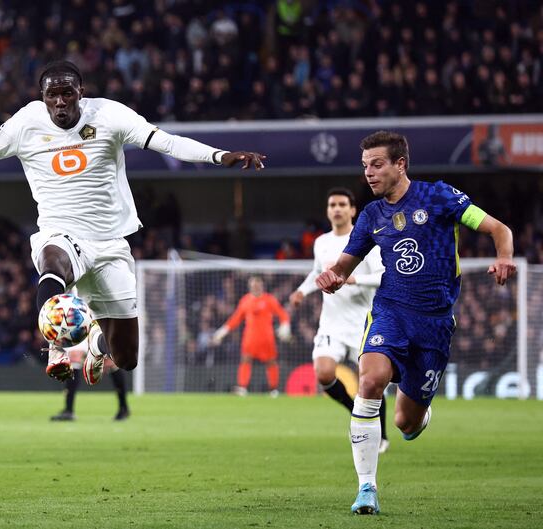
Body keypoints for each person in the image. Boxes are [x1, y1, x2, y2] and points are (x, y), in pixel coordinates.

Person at [0, 60, 266, 384]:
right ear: (42, 96)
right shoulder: (25, 123)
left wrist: (219, 155)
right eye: (51, 94)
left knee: (126, 359)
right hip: (61, 232)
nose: (59, 101)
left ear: (80, 93)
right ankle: (56, 347)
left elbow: (167, 142)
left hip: (111, 242)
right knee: (52, 260)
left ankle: (95, 345)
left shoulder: (109, 114)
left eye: (66, 92)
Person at [315, 131, 515, 515]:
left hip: (435, 323)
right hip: (390, 310)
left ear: (400, 164)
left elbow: (498, 229)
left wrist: (504, 256)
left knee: (407, 423)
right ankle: (367, 488)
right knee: (370, 379)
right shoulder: (372, 216)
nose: (369, 174)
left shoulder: (439, 197)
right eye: (365, 166)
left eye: (376, 165)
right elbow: (345, 263)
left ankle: (419, 411)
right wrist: (333, 276)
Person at [289, 188, 389, 453]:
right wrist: (302, 290)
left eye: (342, 204)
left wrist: (355, 278)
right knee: (323, 374)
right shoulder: (321, 242)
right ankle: (352, 409)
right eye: (332, 204)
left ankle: (382, 435)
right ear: (327, 210)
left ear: (352, 210)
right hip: (331, 323)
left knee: (371, 382)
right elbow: (316, 273)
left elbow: (383, 277)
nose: (337, 209)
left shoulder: (368, 240)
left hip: (363, 322)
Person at [211, 276, 290, 396]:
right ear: (250, 286)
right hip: (250, 338)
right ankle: (242, 387)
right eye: (253, 285)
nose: (256, 287)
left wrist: (285, 325)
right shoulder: (245, 300)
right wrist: (223, 331)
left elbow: (282, 313)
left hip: (266, 338)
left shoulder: (269, 299)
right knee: (245, 359)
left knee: (271, 362)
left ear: (262, 286)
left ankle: (273, 389)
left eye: (258, 285)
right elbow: (235, 319)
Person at [50, 337, 130, 422]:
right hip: (81, 330)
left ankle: (123, 407)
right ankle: (68, 410)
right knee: (74, 361)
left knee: (110, 363)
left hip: (96, 328)